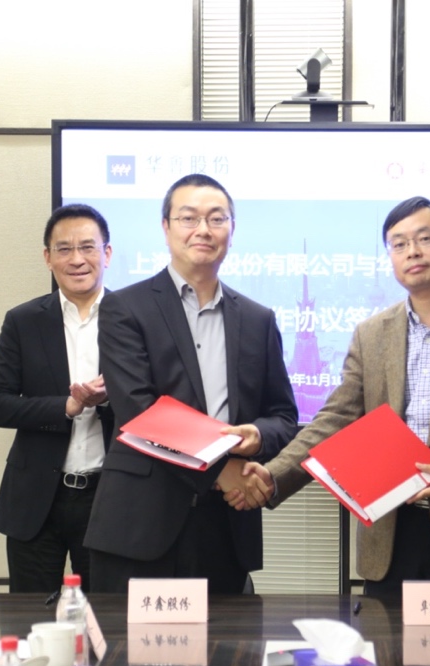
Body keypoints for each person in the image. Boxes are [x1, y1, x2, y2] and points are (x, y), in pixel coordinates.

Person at [232, 196, 430, 595]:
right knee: (388, 638)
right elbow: (334, 420)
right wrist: (273, 475)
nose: (412, 251)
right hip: (390, 533)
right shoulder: (372, 333)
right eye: (399, 244)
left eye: (424, 238)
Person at [82, 173, 298, 594]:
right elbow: (139, 411)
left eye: (217, 219)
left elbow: (284, 416)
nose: (203, 230)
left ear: (232, 230)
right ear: (166, 228)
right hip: (142, 523)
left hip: (227, 522)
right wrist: (220, 470)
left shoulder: (258, 319)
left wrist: (257, 436)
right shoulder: (125, 307)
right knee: (134, 639)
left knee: (226, 638)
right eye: (188, 218)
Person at [0, 204, 115, 593]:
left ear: (106, 253)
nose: (77, 259)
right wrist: (66, 406)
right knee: (30, 619)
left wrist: (110, 399)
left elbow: (156, 403)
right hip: (36, 499)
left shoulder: (134, 318)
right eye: (64, 249)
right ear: (47, 257)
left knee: (106, 618)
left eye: (88, 247)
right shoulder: (23, 321)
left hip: (109, 497)